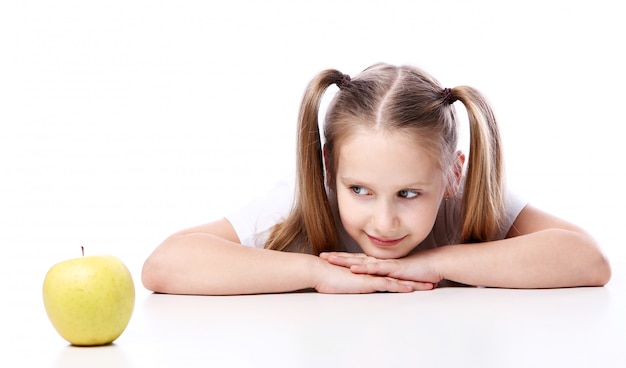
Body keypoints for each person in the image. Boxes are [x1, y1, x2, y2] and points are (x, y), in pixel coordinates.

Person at [142, 63, 611, 295]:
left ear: (453, 174)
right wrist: (315, 273)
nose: (384, 221)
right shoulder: (304, 199)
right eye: (360, 190)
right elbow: (165, 265)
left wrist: (439, 262)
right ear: (329, 170)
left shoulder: (465, 198)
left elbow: (589, 261)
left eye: (408, 193)